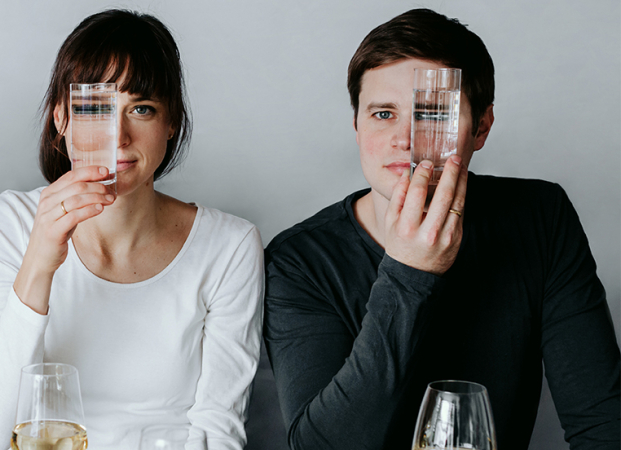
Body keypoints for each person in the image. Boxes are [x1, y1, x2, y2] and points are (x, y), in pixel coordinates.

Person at [263, 8, 620, 450]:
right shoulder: (299, 260)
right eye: (382, 114)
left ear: (481, 128)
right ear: (356, 124)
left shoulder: (540, 217)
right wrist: (409, 273)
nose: (406, 139)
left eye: (432, 114)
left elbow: (603, 424)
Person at [0, 9, 264, 449]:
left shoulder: (230, 245)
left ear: (171, 124)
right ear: (61, 118)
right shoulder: (9, 222)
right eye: (95, 109)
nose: (118, 136)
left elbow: (219, 431)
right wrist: (40, 261)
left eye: (141, 109)